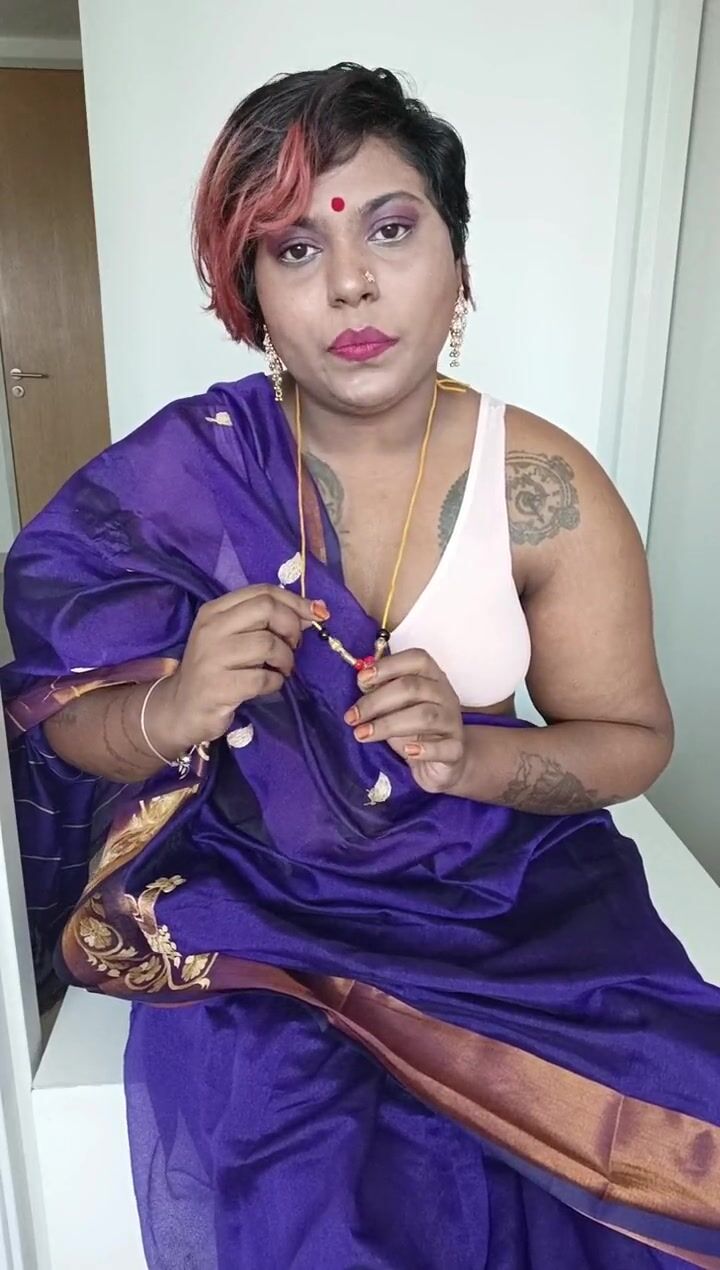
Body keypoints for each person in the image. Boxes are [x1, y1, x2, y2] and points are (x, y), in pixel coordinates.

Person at [2, 63, 719, 1270]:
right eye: (295, 248)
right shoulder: (188, 472)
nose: (350, 283)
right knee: (312, 1188)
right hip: (264, 902)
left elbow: (632, 739)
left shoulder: (543, 490)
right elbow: (55, 710)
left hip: (510, 901)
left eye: (391, 228)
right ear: (249, 294)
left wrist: (469, 752)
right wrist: (171, 707)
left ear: (458, 263)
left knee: (676, 1135)